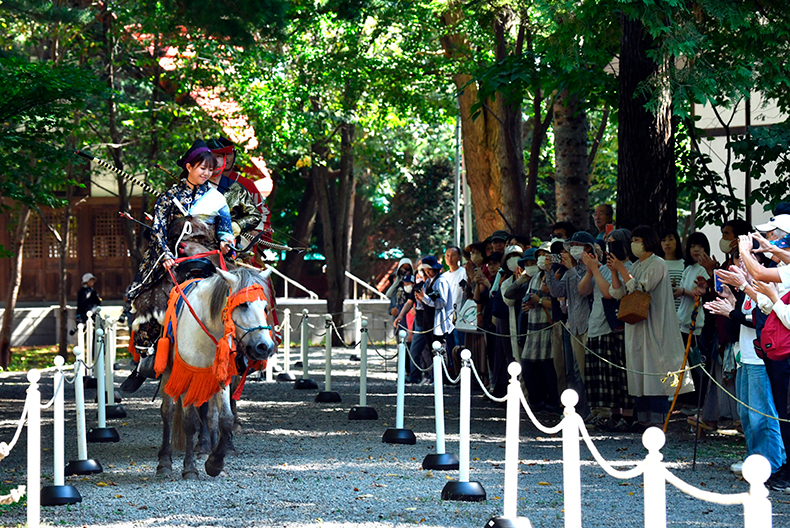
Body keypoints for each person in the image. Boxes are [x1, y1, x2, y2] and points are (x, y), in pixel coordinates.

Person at [127, 140, 232, 350]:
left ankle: (240, 350)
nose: (207, 173)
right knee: (152, 298)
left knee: (239, 293)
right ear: (189, 167)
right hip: (172, 256)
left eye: (210, 169)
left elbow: (225, 229)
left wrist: (226, 242)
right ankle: (146, 356)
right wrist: (165, 254)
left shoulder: (218, 198)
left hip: (208, 256)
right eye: (203, 168)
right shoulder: (168, 197)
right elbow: (158, 229)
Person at [704, 248, 787, 490]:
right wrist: (730, 301)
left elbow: (762, 319)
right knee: (747, 415)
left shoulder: (764, 286)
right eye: (737, 261)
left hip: (763, 359)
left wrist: (731, 312)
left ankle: (773, 464)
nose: (740, 266)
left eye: (746, 261)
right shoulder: (746, 292)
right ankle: (754, 459)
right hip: (746, 357)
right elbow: (742, 317)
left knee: (763, 416)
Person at [608, 225, 693, 429]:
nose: (634, 244)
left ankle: (657, 420)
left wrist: (621, 269)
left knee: (655, 370)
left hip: (655, 326)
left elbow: (641, 288)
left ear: (647, 241)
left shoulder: (658, 263)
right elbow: (618, 293)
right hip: (636, 326)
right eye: (633, 240)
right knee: (638, 371)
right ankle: (643, 418)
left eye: (637, 239)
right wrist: (614, 271)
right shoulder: (636, 265)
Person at [579, 229, 633, 430]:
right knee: (598, 377)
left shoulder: (628, 267)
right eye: (607, 243)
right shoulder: (601, 268)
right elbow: (582, 290)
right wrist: (590, 269)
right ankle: (605, 414)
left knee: (615, 377)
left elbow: (609, 293)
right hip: (595, 325)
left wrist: (596, 270)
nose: (609, 247)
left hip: (613, 327)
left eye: (614, 243)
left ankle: (621, 416)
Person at [511, 247, 558, 412]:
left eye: (543, 256)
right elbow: (511, 294)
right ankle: (536, 402)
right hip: (532, 329)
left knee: (549, 369)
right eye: (538, 257)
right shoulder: (535, 277)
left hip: (549, 329)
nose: (540, 260)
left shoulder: (556, 275)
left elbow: (559, 305)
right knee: (529, 368)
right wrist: (528, 304)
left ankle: (552, 403)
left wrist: (538, 301)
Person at [416, 255, 455, 384]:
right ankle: (435, 377)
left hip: (439, 320)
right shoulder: (428, 281)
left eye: (429, 269)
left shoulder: (441, 281)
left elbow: (441, 302)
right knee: (432, 348)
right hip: (429, 319)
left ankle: (442, 379)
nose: (427, 272)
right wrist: (421, 299)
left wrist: (425, 298)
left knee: (440, 348)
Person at [443, 246, 467, 356]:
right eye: (447, 255)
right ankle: (452, 370)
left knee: (460, 345)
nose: (450, 258)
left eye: (453, 255)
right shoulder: (443, 277)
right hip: (446, 318)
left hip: (461, 316)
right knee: (449, 346)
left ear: (459, 257)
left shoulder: (464, 273)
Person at [661, 230, 685, 312]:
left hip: (680, 310)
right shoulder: (657, 264)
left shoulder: (684, 264)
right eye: (664, 240)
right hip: (661, 310)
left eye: (670, 239)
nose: (667, 243)